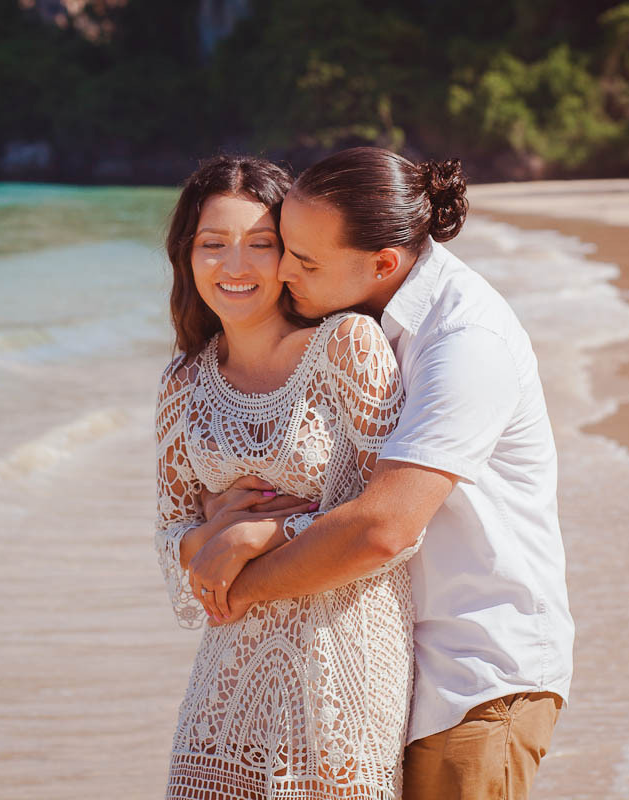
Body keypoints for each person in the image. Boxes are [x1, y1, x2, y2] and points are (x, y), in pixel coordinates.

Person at [203, 147, 575, 800]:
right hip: (380, 673)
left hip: (474, 679)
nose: (283, 271)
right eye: (284, 247)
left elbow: (385, 528)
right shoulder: (350, 325)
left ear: (383, 263)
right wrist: (230, 508)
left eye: (306, 262)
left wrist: (242, 584)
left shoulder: (464, 341)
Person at [152, 154, 423, 800]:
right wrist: (215, 532)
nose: (235, 265)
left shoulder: (348, 347)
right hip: (226, 681)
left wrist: (260, 533)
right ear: (187, 256)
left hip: (344, 665)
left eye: (260, 244)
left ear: (290, 255)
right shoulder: (182, 383)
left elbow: (393, 526)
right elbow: (172, 538)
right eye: (212, 244)